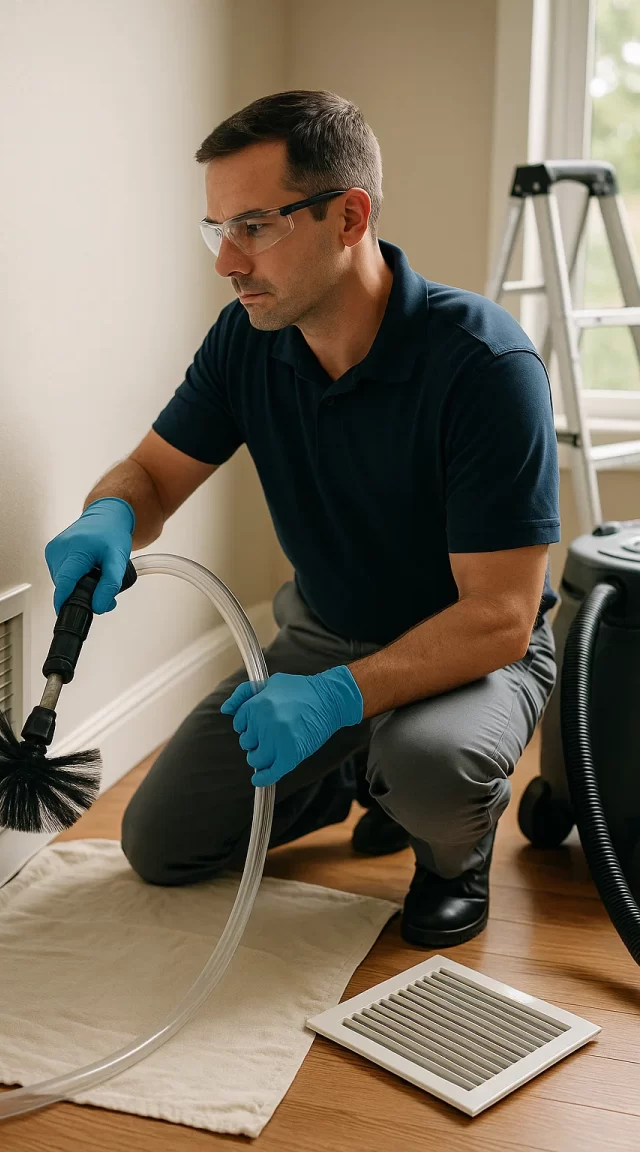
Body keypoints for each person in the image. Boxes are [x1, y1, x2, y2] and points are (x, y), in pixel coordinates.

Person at [44, 90, 559, 949]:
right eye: (218, 230)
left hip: (469, 651)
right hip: (325, 638)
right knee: (161, 843)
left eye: (254, 226)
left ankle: (450, 855)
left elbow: (503, 617)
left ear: (348, 216)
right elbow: (153, 478)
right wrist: (109, 511)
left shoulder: (483, 365)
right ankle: (365, 771)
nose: (227, 263)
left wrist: (340, 699)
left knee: (434, 767)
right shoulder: (248, 339)